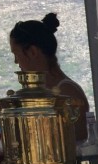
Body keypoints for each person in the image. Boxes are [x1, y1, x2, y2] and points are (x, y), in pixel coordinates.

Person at [9, 13, 90, 142]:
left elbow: (77, 142)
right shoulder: (42, 90)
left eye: (16, 54)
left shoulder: (67, 91)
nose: (15, 61)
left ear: (32, 52)